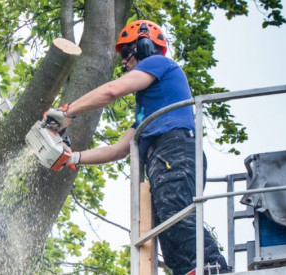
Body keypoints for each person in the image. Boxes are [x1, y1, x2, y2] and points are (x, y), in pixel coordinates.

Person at [46, 20, 230, 275]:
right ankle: (189, 271)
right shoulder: (149, 113)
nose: (123, 62)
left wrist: (67, 112)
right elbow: (121, 149)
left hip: (175, 149)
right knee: (166, 225)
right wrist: (72, 157)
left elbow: (111, 91)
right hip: (165, 154)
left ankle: (213, 267)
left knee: (174, 211)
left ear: (145, 45)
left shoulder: (158, 63)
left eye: (126, 53)